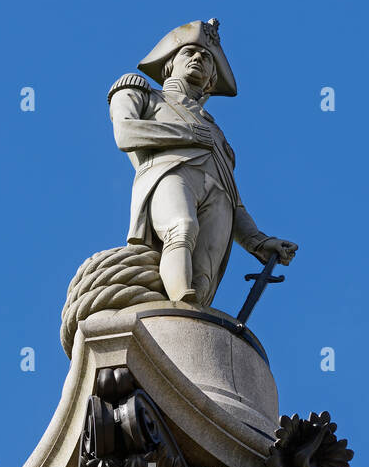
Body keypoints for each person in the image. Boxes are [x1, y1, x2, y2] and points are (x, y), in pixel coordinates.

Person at [108, 19, 297, 309]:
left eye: (206, 57)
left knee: (205, 272)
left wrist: (258, 241)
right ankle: (179, 306)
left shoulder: (220, 137)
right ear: (169, 64)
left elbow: (236, 203)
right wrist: (188, 134)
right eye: (189, 52)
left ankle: (193, 320)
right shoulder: (142, 93)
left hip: (218, 197)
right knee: (181, 228)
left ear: (211, 78)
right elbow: (126, 133)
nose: (198, 58)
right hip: (169, 172)